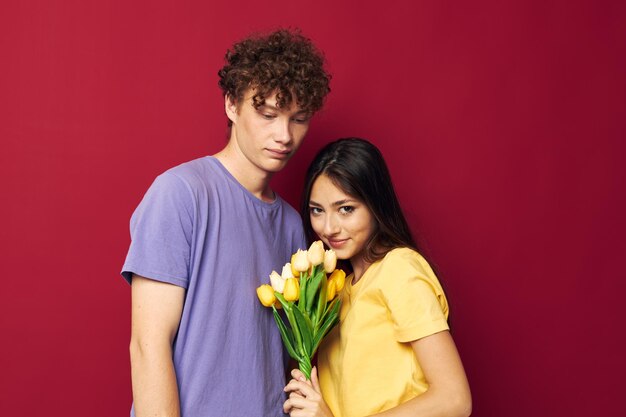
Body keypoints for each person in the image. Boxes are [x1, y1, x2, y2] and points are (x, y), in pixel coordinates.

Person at [121, 29, 330, 417]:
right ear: (232, 105)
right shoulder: (180, 194)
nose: (284, 135)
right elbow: (148, 345)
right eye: (267, 115)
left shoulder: (292, 225)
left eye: (298, 119)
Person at [283, 138, 472, 417]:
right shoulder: (337, 288)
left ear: (375, 205)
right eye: (317, 211)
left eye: (346, 209)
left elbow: (455, 399)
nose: (329, 227)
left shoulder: (399, 269)